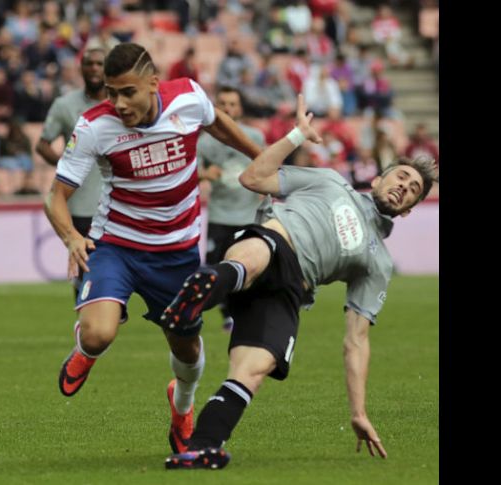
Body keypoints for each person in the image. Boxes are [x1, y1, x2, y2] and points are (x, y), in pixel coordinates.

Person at [162, 94, 438, 469]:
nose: (405, 186)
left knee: (255, 368)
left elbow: (356, 340)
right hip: (274, 240)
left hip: (293, 290)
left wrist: (358, 411)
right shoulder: (329, 181)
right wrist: (295, 136)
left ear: (407, 210)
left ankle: (200, 447)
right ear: (377, 178)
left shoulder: (378, 262)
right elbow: (252, 177)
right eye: (401, 177)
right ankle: (196, 297)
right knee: (257, 256)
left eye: (413, 191)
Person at [43, 42, 262, 455]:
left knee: (187, 349)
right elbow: (55, 196)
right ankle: (85, 347)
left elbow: (220, 125)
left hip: (177, 253)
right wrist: (72, 236)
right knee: (99, 334)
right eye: (111, 92)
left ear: (153, 83)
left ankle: (182, 408)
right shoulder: (93, 126)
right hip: (117, 246)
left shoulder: (189, 98)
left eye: (128, 92)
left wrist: (264, 158)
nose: (119, 103)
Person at [36, 47, 108, 301]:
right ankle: (86, 328)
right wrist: (68, 166)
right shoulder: (65, 105)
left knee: (114, 267)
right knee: (83, 270)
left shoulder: (121, 104)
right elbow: (42, 144)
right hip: (79, 204)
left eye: (100, 64)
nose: (95, 69)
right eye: (90, 64)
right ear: (81, 69)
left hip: (115, 203)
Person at [197, 86, 266, 332]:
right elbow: (191, 173)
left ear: (240, 108)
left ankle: (244, 311)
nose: (228, 108)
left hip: (248, 215)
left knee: (252, 267)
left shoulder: (254, 137)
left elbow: (267, 164)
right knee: (217, 266)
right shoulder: (205, 143)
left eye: (233, 104)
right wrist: (205, 173)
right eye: (223, 104)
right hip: (219, 214)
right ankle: (227, 314)